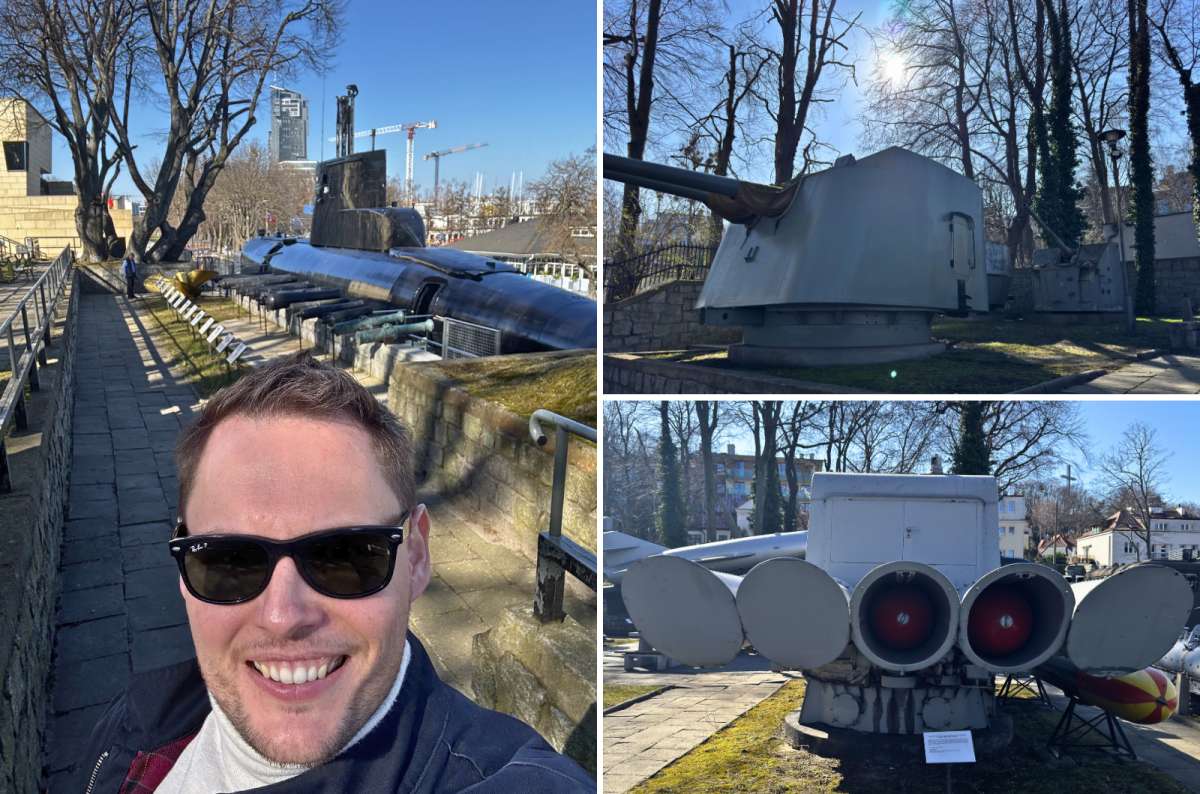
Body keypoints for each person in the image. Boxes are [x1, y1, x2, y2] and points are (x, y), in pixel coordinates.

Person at [78, 352, 593, 792]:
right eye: (229, 560)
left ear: (415, 558)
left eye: (345, 556)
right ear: (183, 566)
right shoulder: (141, 722)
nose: (283, 616)